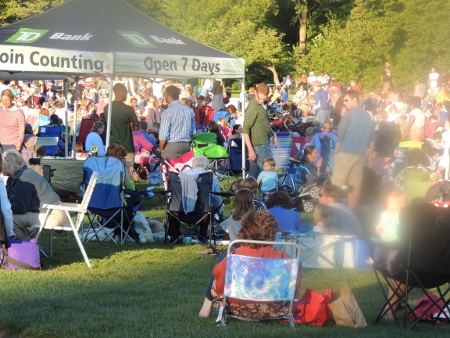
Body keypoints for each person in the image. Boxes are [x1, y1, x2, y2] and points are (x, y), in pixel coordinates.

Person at [198, 210, 300, 318]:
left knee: (224, 258)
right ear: (273, 231)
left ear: (245, 230)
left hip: (235, 308)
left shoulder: (235, 255)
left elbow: (219, 283)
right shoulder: (285, 259)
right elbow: (294, 290)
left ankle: (205, 308)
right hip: (274, 309)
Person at [2, 150, 65, 240]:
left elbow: (20, 208)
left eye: (2, 163)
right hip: (48, 211)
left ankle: (24, 250)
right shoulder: (14, 178)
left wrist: (3, 209)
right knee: (8, 217)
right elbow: (9, 200)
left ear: (9, 164)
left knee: (10, 221)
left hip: (53, 215)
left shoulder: (23, 178)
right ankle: (23, 249)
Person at [332, 89, 375, 209]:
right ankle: (352, 211)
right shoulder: (368, 115)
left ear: (355, 99)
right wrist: (370, 157)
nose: (344, 103)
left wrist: (336, 151)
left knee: (337, 183)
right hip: (361, 155)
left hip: (345, 152)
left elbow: (341, 134)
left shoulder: (349, 114)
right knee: (355, 184)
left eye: (346, 100)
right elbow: (372, 137)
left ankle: (333, 210)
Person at [168, 155, 223, 244]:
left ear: (192, 165)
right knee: (207, 206)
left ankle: (174, 236)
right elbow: (216, 198)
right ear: (206, 166)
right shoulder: (210, 178)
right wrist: (220, 212)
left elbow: (172, 196)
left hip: (179, 214)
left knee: (174, 204)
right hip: (202, 215)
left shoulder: (180, 176)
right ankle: (202, 236)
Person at [243, 83, 278, 178]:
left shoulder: (264, 104)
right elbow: (245, 130)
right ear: (255, 92)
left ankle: (247, 192)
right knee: (269, 174)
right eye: (260, 98)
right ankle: (267, 193)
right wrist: (250, 150)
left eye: (265, 98)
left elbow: (264, 123)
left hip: (264, 142)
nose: (262, 100)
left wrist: (274, 134)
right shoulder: (253, 107)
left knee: (253, 175)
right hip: (259, 145)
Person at [104, 83, 140, 162]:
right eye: (126, 93)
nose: (127, 95)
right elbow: (136, 128)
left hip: (111, 147)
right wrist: (131, 124)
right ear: (122, 92)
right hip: (126, 148)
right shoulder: (128, 109)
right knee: (127, 172)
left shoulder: (107, 108)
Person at [159, 85, 196, 159]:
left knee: (165, 167)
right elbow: (193, 131)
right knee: (183, 168)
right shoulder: (189, 110)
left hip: (172, 145)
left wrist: (161, 148)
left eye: (165, 96)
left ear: (169, 97)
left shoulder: (167, 112)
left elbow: (164, 134)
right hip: (186, 145)